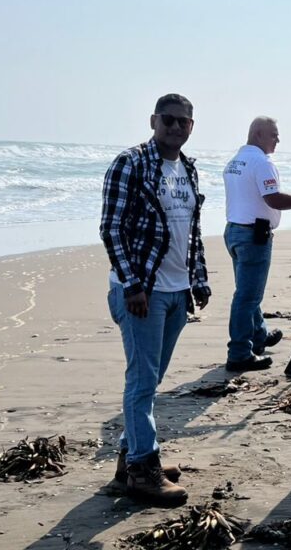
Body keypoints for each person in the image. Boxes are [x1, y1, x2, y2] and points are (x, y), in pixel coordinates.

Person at [99, 93, 210, 506]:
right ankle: (144, 468)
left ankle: (129, 462)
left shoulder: (189, 169)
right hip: (142, 292)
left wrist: (198, 281)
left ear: (191, 127)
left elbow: (190, 232)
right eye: (168, 119)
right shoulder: (130, 163)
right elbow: (112, 228)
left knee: (151, 380)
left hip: (177, 291)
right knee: (142, 380)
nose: (176, 127)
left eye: (183, 122)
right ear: (153, 120)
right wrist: (132, 285)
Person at [222, 116, 291, 372]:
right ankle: (239, 352)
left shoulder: (235, 161)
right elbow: (273, 199)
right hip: (254, 235)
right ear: (258, 134)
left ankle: (259, 335)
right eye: (274, 134)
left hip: (234, 231)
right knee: (247, 296)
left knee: (247, 289)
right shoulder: (261, 163)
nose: (278, 139)